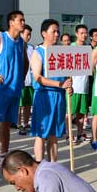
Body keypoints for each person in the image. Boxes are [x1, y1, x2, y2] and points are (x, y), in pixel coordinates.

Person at [0, 11, 29, 169]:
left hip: (15, 89)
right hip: (1, 89)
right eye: (20, 20)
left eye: (23, 20)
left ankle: (3, 156)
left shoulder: (21, 42)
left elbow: (25, 62)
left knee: (7, 124)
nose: (23, 23)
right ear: (11, 22)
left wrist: (21, 78)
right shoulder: (0, 38)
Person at [30, 20, 72, 162]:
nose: (56, 34)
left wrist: (68, 86)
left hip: (59, 96)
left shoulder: (61, 52)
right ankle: (40, 164)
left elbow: (66, 76)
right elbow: (37, 77)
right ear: (44, 33)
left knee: (54, 134)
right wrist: (60, 84)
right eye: (53, 31)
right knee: (42, 133)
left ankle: (53, 165)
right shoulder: (38, 52)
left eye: (58, 31)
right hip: (44, 96)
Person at [68, 25, 89, 144]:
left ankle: (80, 134)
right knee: (69, 113)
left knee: (81, 113)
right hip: (74, 86)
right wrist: (69, 84)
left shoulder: (87, 48)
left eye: (85, 33)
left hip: (84, 86)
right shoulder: (72, 47)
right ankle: (69, 135)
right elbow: (67, 68)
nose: (84, 35)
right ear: (76, 34)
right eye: (81, 33)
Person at [19, 24, 34, 136]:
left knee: (28, 104)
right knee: (20, 105)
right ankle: (18, 124)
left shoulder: (31, 48)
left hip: (30, 81)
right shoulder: (17, 46)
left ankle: (25, 123)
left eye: (30, 35)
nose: (29, 37)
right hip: (20, 81)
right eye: (27, 34)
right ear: (21, 34)